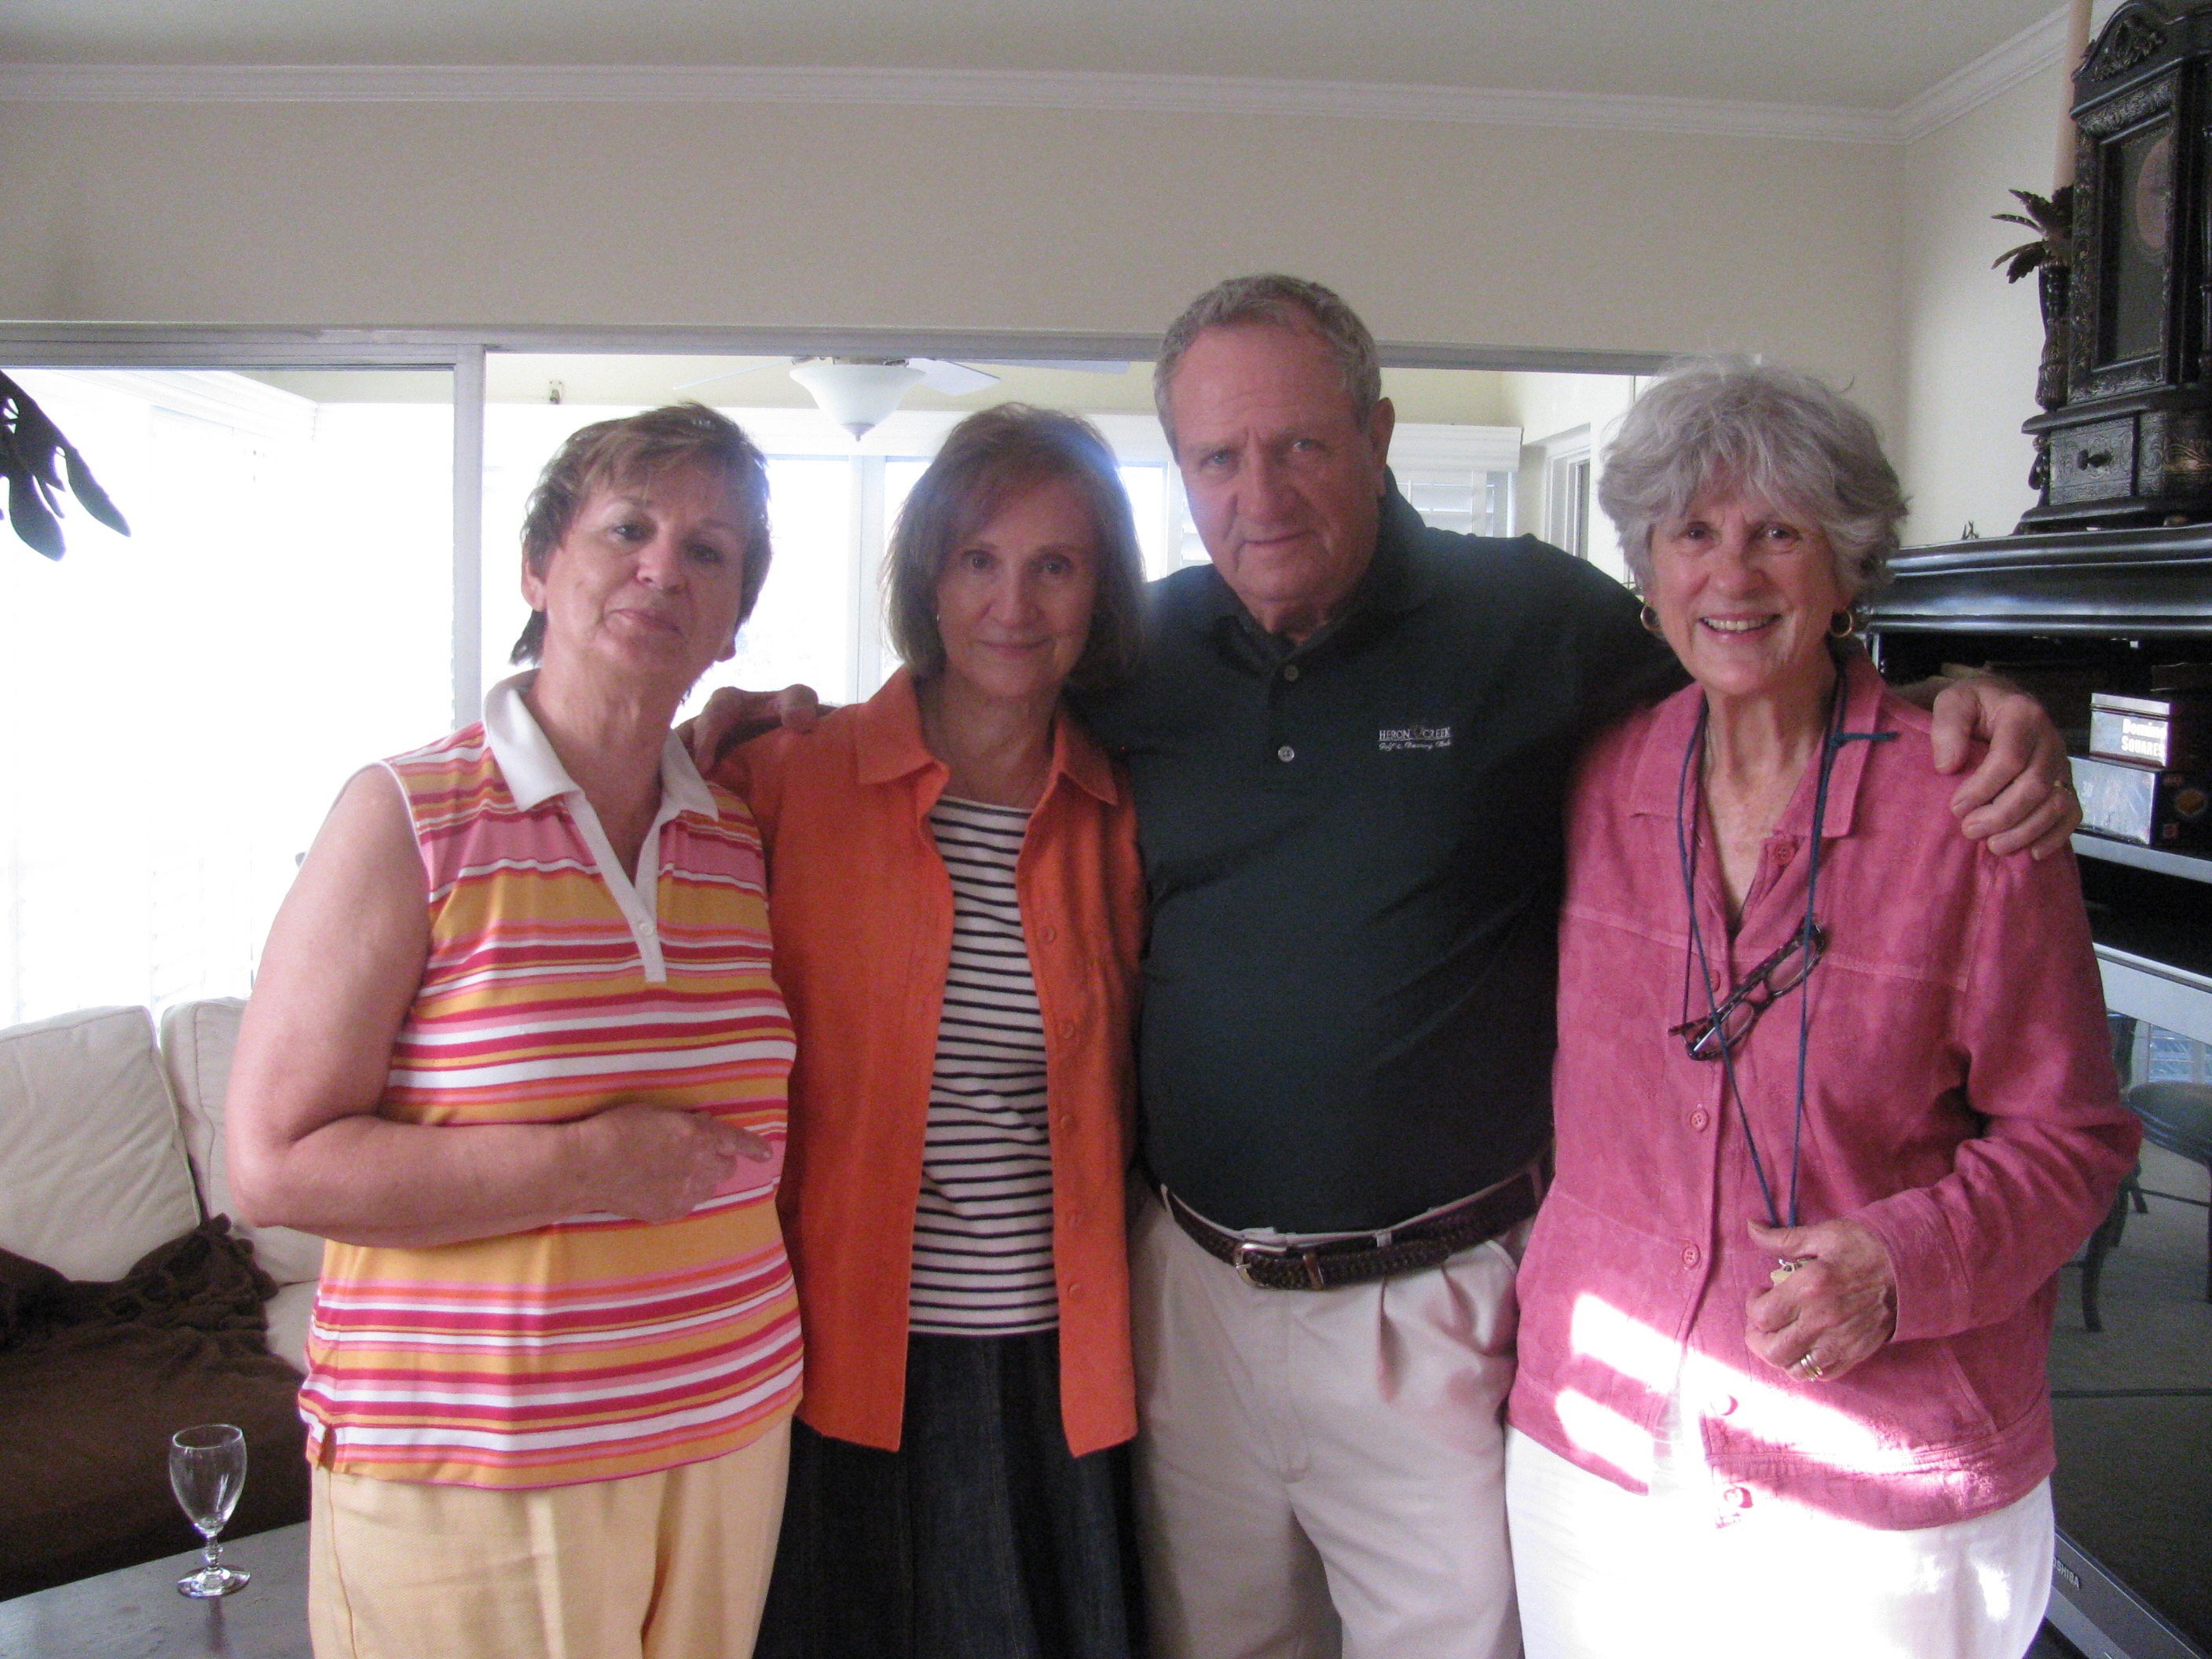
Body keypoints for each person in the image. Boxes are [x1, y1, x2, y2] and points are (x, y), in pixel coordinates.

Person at [695, 275, 2082, 1659]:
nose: (1260, 495)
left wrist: (1958, 703)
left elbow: (1753, 665)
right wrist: (763, 723)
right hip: (1188, 1295)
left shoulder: (1536, 620)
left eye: (1300, 443)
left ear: (1379, 433)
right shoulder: (1140, 653)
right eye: (1217, 459)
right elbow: (971, 709)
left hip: (1443, 1303)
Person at [1502, 358, 2139, 1659]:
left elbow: (2073, 1139)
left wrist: (1902, 1267)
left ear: (1847, 568)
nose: (1731, 576)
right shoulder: (1591, 781)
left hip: (1880, 1465)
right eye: (1693, 533)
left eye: (1779, 533)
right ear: (1648, 568)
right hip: (1599, 1443)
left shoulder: (1972, 809)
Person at [227, 405, 801, 1659]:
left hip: (728, 1432)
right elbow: (272, 1165)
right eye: (628, 530)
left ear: (734, 620)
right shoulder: (406, 815)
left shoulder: (743, 833)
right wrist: (587, 1165)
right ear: (541, 569)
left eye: (709, 550)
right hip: (473, 1465)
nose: (664, 568)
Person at [732, 406, 1150, 1659]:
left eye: (1054, 564)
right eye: (978, 560)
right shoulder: (788, 776)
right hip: (834, 1354)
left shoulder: (1124, 818)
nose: (1012, 604)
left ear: (1099, 592)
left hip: (1051, 1367)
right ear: (929, 578)